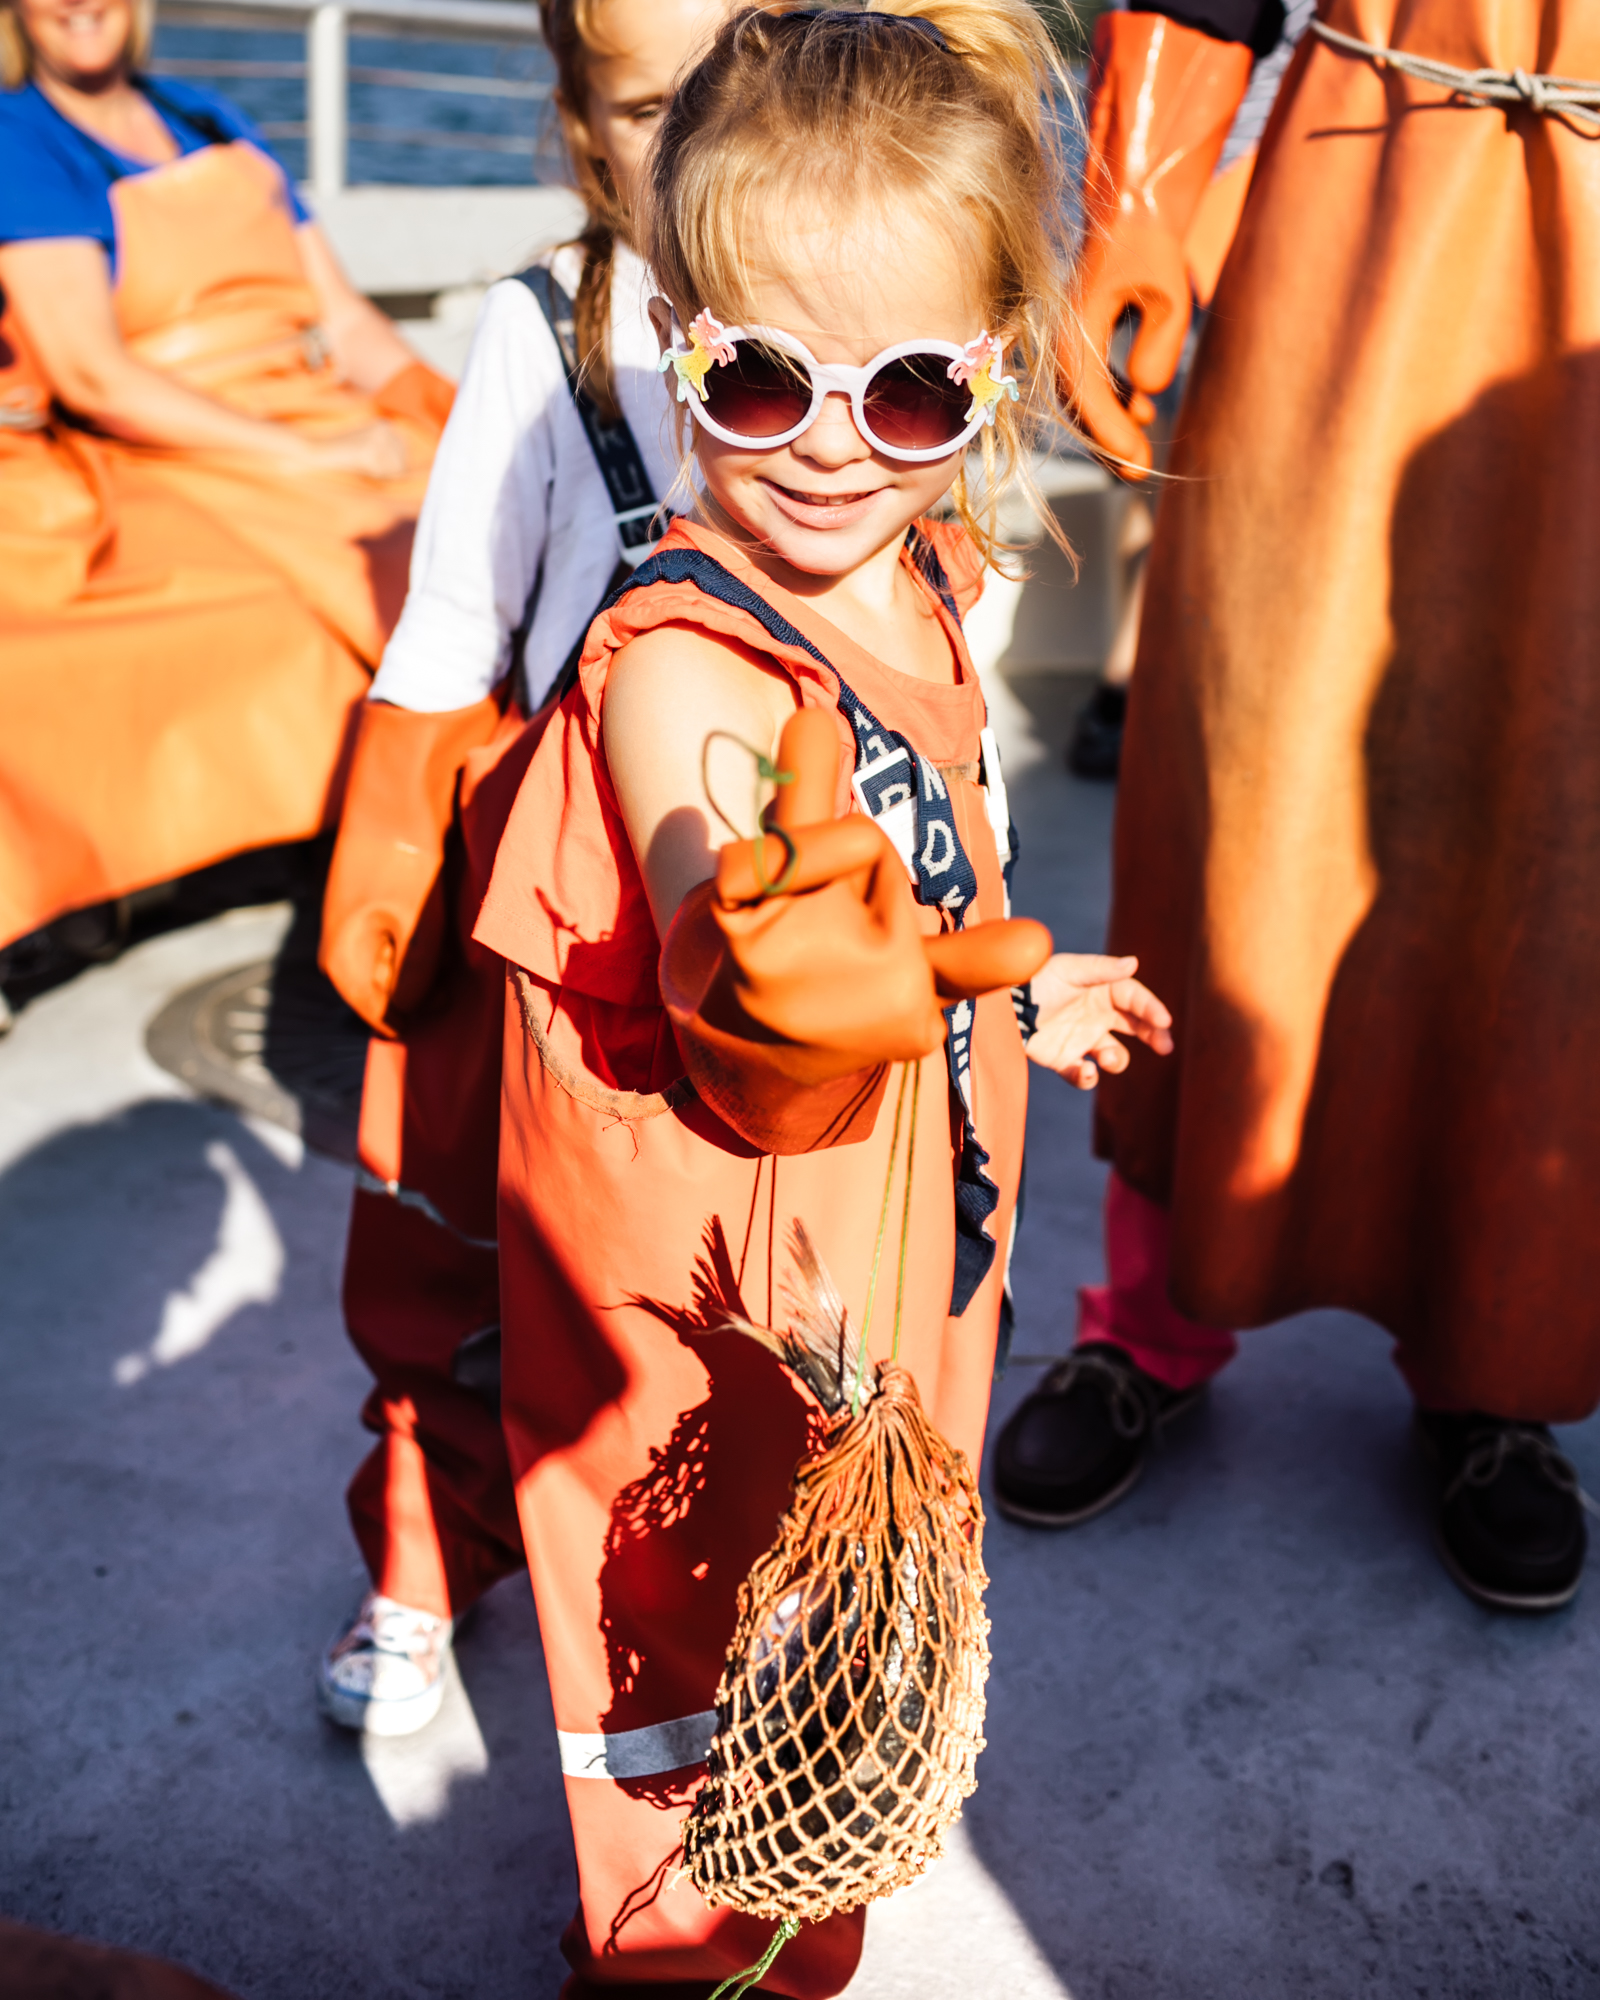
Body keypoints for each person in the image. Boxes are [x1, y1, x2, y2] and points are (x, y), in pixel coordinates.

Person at [474, 3, 1176, 1988]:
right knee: (701, 1640)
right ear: (677, 340)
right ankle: (674, 1957)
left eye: (907, 394)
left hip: (904, 1245)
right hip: (730, 1298)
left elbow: (940, 871)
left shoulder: (932, 580)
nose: (823, 451)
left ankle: (808, 1895)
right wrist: (783, 964)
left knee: (859, 1606)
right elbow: (735, 921)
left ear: (992, 378)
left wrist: (996, 1001)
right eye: (757, 377)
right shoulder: (681, 665)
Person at [995, 0, 1597, 1614]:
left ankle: (1500, 1365)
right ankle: (1149, 1322)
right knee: (1241, 749)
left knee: (1562, 821)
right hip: (1363, 170)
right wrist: (1139, 187)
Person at [313, 0, 734, 1736]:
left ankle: (709, 1591)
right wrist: (391, 854)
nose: (696, 145)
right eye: (647, 110)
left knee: (713, 1288)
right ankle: (421, 1554)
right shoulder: (541, 330)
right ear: (579, 120)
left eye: (733, 92)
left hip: (747, 914)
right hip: (545, 910)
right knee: (452, 1255)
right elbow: (448, 635)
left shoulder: (848, 331)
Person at [0, 0, 449, 956]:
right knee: (390, 558)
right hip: (182, 439)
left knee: (486, 512)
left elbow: (345, 316)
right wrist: (312, 455)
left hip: (316, 403)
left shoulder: (209, 117)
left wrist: (441, 404)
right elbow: (92, 375)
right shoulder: (19, 138)